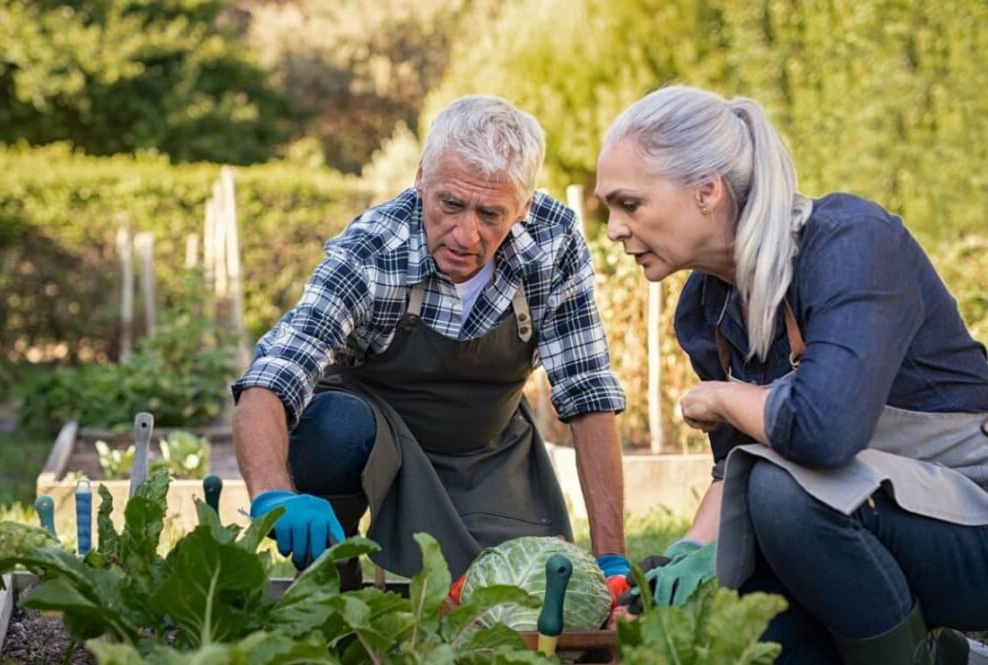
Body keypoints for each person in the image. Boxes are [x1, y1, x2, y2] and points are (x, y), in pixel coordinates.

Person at [596, 84, 988, 663]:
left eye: (629, 205)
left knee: (783, 496)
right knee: (744, 631)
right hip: (862, 526)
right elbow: (736, 469)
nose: (613, 229)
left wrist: (727, 399)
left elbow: (824, 428)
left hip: (970, 523)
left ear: (707, 191)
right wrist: (684, 558)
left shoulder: (852, 243)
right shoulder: (705, 309)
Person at [232, 95, 632, 602]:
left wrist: (611, 557)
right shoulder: (375, 249)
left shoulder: (553, 242)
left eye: (490, 213)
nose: (466, 234)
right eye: (450, 204)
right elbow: (271, 375)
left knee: (513, 604)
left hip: (487, 446)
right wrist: (273, 493)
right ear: (422, 177)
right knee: (333, 428)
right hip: (376, 441)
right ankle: (328, 585)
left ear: (524, 205)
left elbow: (588, 391)